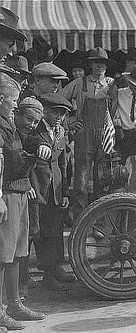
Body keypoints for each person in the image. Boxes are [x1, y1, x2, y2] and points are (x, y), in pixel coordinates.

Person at [0, 73, 47, 331]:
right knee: (2, 254)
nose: (15, 105)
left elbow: (28, 141)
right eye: (13, 101)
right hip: (6, 194)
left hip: (19, 191)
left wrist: (41, 145)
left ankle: (14, 303)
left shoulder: (9, 124)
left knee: (18, 252)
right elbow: (3, 162)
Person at [59, 47, 115, 220]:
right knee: (81, 181)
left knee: (102, 181)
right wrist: (69, 122)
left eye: (102, 62)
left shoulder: (112, 84)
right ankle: (79, 221)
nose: (99, 66)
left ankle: (98, 224)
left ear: (106, 65)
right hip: (84, 135)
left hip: (105, 134)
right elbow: (59, 99)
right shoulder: (80, 83)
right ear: (90, 64)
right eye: (96, 62)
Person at [30, 94, 74, 291]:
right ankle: (44, 273)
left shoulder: (61, 131)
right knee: (38, 231)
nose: (58, 116)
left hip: (55, 189)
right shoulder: (34, 129)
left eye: (62, 113)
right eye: (55, 112)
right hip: (37, 186)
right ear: (44, 111)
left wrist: (65, 192)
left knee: (55, 230)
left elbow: (63, 164)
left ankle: (56, 268)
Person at [14, 98, 44, 298]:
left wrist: (42, 143)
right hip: (13, 190)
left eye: (35, 122)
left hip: (22, 190)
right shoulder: (10, 131)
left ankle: (19, 287)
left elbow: (32, 140)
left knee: (25, 237)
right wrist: (27, 184)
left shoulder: (26, 134)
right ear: (17, 113)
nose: (30, 124)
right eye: (28, 119)